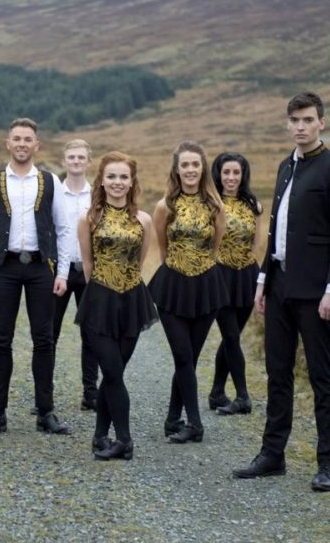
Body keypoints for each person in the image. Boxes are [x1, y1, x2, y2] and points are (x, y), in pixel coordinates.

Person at [233, 92, 330, 493]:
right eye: (295, 121)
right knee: (277, 373)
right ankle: (273, 455)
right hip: (280, 286)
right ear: (287, 124)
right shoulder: (286, 166)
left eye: (307, 120)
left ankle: (327, 463)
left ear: (321, 122)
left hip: (317, 292)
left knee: (321, 376)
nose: (300, 127)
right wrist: (264, 279)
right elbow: (277, 232)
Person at [0, 117, 73, 436]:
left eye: (27, 139)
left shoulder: (50, 181)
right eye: (16, 138)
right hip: (4, 268)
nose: (21, 144)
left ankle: (45, 412)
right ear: (8, 143)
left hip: (40, 268)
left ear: (36, 145)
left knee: (44, 339)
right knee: (0, 338)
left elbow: (63, 229)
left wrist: (62, 272)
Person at [75, 151, 157, 460]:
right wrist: (100, 295)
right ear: (101, 180)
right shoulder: (89, 219)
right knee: (111, 371)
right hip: (99, 301)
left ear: (132, 181)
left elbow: (140, 259)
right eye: (111, 176)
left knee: (114, 373)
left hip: (132, 301)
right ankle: (124, 440)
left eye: (124, 177)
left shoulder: (144, 220)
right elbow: (88, 263)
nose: (117, 182)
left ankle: (100, 435)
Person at [149, 141, 226, 444]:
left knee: (189, 359)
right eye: (185, 165)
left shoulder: (215, 206)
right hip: (173, 286)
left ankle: (172, 418)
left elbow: (215, 247)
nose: (191, 170)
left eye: (196, 164)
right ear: (177, 169)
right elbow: (163, 247)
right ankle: (195, 423)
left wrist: (200, 267)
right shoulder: (164, 206)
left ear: (203, 168)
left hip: (206, 287)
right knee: (182, 355)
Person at [207, 152, 266, 416]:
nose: (231, 177)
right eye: (226, 172)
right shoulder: (209, 204)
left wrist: (258, 278)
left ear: (243, 176)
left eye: (236, 173)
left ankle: (216, 392)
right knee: (231, 335)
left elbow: (256, 245)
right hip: (220, 276)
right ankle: (243, 396)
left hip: (246, 276)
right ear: (218, 175)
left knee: (232, 337)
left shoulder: (254, 205)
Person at [53, 139, 100, 411]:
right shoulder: (54, 194)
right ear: (64, 161)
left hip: (88, 271)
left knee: (91, 334)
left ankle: (90, 394)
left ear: (89, 162)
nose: (76, 161)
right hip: (59, 272)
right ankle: (44, 396)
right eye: (71, 157)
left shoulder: (97, 197)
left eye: (81, 157)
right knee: (49, 334)